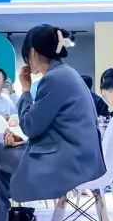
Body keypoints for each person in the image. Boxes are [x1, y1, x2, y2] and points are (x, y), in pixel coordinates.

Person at [9, 25, 105, 202]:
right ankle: (15, 218)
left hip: (69, 162)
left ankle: (5, 219)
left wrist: (25, 90)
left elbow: (30, 126)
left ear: (33, 52)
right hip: (83, 158)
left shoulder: (53, 78)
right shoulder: (66, 73)